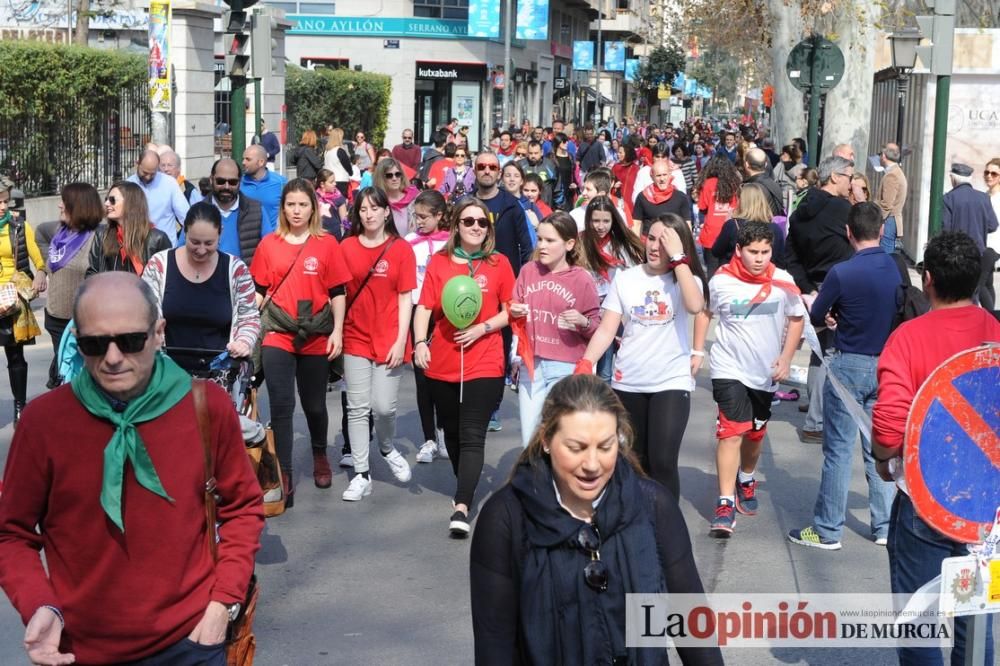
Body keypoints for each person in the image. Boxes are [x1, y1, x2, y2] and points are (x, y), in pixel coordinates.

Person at [0, 271, 264, 665]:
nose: (112, 357)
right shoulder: (44, 422)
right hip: (78, 651)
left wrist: (222, 604)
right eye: (93, 343)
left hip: (192, 643)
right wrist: (39, 604)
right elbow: (11, 533)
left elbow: (243, 508)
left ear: (159, 333)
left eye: (129, 340)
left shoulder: (206, 406)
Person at [470, 374, 723, 666]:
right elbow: (494, 645)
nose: (592, 465)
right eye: (576, 448)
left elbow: (694, 630)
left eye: (605, 447)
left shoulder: (654, 506)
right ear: (546, 441)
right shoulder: (505, 519)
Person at [871, 231, 1000, 665]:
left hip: (924, 499)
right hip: (988, 506)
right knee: (978, 616)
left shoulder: (908, 337)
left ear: (927, 279)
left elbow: (890, 421)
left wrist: (883, 456)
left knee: (918, 619)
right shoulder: (995, 332)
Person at [784, 202, 899, 550]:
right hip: (883, 365)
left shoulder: (842, 273)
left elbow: (817, 314)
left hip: (847, 362)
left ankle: (828, 529)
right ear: (881, 231)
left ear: (848, 233)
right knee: (878, 449)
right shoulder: (895, 269)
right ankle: (884, 526)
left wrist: (830, 313)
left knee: (838, 451)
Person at [578, 215, 706, 499]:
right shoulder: (626, 279)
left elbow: (696, 306)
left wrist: (679, 260)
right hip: (629, 382)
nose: (655, 246)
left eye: (664, 240)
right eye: (651, 238)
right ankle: (639, 527)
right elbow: (607, 330)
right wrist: (586, 363)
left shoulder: (686, 279)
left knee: (662, 461)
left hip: (671, 381)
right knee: (636, 463)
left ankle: (666, 529)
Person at [693, 220, 805, 537]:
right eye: (753, 252)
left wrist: (786, 358)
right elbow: (705, 312)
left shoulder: (783, 281)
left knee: (755, 434)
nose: (759, 258)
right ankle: (725, 503)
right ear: (739, 251)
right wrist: (697, 352)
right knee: (731, 431)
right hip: (729, 367)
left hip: (765, 372)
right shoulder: (721, 281)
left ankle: (747, 476)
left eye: (765, 252)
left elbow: (796, 319)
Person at [413, 197, 515, 536]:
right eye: (468, 221)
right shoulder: (439, 263)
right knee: (452, 432)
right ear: (456, 225)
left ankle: (461, 505)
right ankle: (466, 483)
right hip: (443, 360)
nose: (475, 227)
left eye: (481, 222)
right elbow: (425, 308)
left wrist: (482, 328)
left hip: (485, 359)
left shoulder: (499, 264)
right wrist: (419, 343)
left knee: (472, 433)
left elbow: (510, 309)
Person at [250, 178, 351, 506]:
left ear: (313, 208)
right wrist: (247, 326)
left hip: (315, 334)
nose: (296, 211)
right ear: (283, 208)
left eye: (302, 205)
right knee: (280, 404)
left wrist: (337, 331)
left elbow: (337, 291)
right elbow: (260, 292)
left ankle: (320, 453)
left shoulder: (327, 244)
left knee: (314, 405)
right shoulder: (269, 244)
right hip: (278, 332)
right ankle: (284, 473)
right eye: (290, 204)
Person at [335, 187, 418, 500]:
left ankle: (386, 448)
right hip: (355, 336)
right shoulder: (347, 247)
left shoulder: (401, 250)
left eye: (375, 208)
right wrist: (338, 331)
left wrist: (401, 341)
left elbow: (405, 297)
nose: (368, 214)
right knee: (357, 407)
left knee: (383, 407)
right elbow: (339, 292)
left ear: (387, 212)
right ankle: (361, 473)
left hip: (389, 338)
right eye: (363, 209)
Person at [509, 211, 600, 447]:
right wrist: (514, 312)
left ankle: (558, 483)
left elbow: (597, 328)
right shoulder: (528, 271)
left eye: (550, 241)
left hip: (566, 366)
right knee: (530, 439)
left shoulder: (581, 279)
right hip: (532, 365)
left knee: (559, 439)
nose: (542, 246)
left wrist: (582, 321)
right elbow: (512, 311)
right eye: (540, 239)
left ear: (569, 244)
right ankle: (536, 483)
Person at [142, 202, 260, 375]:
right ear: (185, 232)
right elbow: (144, 311)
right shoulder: (159, 265)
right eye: (195, 242)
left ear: (220, 235)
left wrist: (243, 342)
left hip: (220, 371)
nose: (201, 250)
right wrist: (153, 338)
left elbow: (248, 317)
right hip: (167, 371)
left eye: (209, 243)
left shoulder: (236, 270)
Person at [785, 155, 855, 443]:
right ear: (835, 177)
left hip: (813, 287)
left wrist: (808, 288)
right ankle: (816, 420)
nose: (852, 183)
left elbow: (790, 255)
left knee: (820, 352)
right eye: (849, 177)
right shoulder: (841, 210)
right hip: (835, 288)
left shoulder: (802, 207)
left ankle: (814, 414)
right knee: (829, 354)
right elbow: (859, 241)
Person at [42, 183, 103, 389]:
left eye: (64, 202)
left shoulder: (97, 238)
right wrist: (42, 270)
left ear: (79, 207)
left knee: (80, 381)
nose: (60, 205)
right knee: (64, 377)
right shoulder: (59, 235)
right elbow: (39, 233)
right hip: (55, 319)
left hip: (80, 324)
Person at [406, 190, 450, 464]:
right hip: (418, 312)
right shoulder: (409, 243)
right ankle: (428, 439)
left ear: (439, 216)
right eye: (416, 216)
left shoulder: (451, 243)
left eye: (424, 217)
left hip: (446, 315)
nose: (419, 221)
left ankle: (444, 433)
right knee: (422, 379)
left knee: (442, 378)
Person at [0, 183, 47, 425]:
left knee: (15, 356)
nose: (3, 207)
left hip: (11, 300)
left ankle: (20, 405)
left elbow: (39, 260)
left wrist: (40, 275)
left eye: (5, 201)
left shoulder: (19, 225)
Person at [942, 162, 999, 311]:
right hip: (979, 253)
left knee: (961, 293)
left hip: (957, 255)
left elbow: (945, 229)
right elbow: (993, 225)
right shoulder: (983, 198)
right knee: (979, 289)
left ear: (953, 178)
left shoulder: (948, 198)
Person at [190, 158, 267, 267]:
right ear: (211, 180)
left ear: (239, 182)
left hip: (245, 280)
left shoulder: (256, 210)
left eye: (232, 182)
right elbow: (184, 249)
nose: (226, 187)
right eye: (221, 181)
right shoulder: (197, 212)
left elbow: (269, 249)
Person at [87, 181, 172, 276]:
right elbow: (92, 272)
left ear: (130, 203)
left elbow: (167, 278)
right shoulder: (102, 234)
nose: (107, 203)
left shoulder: (157, 239)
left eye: (112, 200)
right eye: (106, 199)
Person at [711, 182, 786, 268]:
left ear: (741, 201)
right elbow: (781, 261)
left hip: (736, 276)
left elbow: (716, 251)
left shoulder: (732, 225)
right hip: (766, 277)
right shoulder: (775, 229)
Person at [127, 149, 190, 245]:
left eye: (152, 174)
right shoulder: (127, 185)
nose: (148, 177)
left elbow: (186, 217)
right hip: (137, 248)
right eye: (145, 173)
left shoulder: (169, 183)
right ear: (137, 164)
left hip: (165, 249)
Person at [695, 154, 742, 276]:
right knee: (729, 271)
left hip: (711, 232)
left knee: (712, 270)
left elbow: (702, 207)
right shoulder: (735, 184)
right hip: (731, 230)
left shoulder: (708, 184)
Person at [633, 158, 693, 237]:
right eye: (658, 176)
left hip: (673, 244)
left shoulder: (681, 197)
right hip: (649, 244)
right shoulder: (643, 197)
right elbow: (636, 224)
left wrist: (688, 247)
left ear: (670, 174)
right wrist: (636, 247)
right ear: (652, 177)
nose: (662, 179)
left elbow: (687, 225)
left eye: (665, 175)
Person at [241, 144, 287, 234]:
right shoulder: (238, 183)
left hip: (273, 239)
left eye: (248, 159)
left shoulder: (281, 183)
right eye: (243, 158)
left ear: (261, 162)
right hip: (246, 240)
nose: (243, 162)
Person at [373, 157, 420, 237]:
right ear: (381, 178)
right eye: (389, 175)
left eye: (398, 174)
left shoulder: (416, 198)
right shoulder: (377, 202)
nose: (394, 178)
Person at [875, 142, 907, 254]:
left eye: (879, 154)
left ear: (883, 155)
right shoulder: (896, 172)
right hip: (891, 220)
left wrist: (875, 219)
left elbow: (886, 204)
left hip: (888, 221)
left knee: (885, 256)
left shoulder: (892, 175)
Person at [500, 161, 540, 242]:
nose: (512, 179)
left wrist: (537, 226)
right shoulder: (497, 202)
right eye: (508, 175)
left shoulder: (529, 205)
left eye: (516, 176)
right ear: (502, 179)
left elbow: (543, 232)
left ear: (522, 181)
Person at [743, 148, 785, 217]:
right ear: (765, 164)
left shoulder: (750, 189)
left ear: (747, 164)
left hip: (758, 226)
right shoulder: (775, 184)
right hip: (773, 226)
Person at [315, 168, 349, 240]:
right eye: (331, 182)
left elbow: (344, 219)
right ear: (322, 184)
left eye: (334, 181)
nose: (335, 184)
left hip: (335, 234)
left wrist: (348, 230)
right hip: (319, 234)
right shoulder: (314, 197)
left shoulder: (338, 196)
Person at [323, 127, 354, 197]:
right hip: (341, 180)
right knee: (341, 202)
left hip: (329, 180)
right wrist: (351, 172)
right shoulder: (340, 151)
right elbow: (347, 166)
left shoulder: (326, 151)